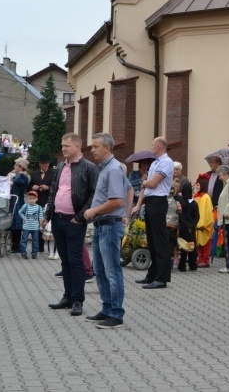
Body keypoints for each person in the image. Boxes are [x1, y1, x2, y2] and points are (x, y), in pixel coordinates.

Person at [43, 133, 99, 316]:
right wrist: (47, 214)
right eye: (62, 145)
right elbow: (53, 191)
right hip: (58, 218)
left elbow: (94, 195)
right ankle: (67, 296)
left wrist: (81, 216)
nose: (63, 149)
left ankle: (77, 300)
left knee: (76, 262)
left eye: (66, 146)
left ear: (77, 147)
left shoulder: (89, 168)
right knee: (65, 261)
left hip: (74, 221)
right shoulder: (60, 167)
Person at [83, 132, 129, 329]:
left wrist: (94, 210)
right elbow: (129, 189)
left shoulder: (113, 169)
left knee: (112, 271)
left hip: (109, 225)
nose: (92, 150)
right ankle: (107, 308)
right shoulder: (107, 169)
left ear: (107, 148)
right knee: (100, 271)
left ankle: (116, 314)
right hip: (102, 226)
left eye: (95, 146)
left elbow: (117, 200)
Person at [131, 137, 173, 289]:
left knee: (159, 240)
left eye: (153, 145)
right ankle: (152, 274)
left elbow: (152, 183)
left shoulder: (166, 162)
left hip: (158, 201)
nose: (151, 147)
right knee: (152, 239)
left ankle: (162, 278)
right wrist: (138, 205)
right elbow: (146, 187)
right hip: (150, 201)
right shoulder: (155, 163)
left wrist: (144, 182)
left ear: (160, 146)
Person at [29, 154, 53, 252]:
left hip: (48, 201)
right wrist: (32, 187)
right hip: (36, 201)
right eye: (42, 164)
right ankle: (39, 247)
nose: (44, 165)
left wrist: (48, 188)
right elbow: (29, 186)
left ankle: (50, 247)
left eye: (45, 164)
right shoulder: (34, 173)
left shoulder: (53, 173)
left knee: (47, 224)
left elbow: (57, 187)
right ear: (39, 164)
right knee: (37, 223)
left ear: (48, 164)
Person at [175, 180, 198, 272]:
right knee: (192, 246)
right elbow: (197, 216)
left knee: (183, 245)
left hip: (183, 227)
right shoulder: (194, 203)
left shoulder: (180, 201)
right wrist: (193, 225)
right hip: (191, 228)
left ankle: (182, 265)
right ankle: (193, 265)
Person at [8, 159, 31, 253]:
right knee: (13, 224)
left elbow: (20, 182)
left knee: (17, 224)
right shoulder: (16, 175)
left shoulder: (22, 176)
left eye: (16, 165)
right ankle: (14, 244)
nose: (14, 166)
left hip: (17, 200)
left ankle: (16, 245)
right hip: (13, 200)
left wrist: (12, 181)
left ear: (21, 167)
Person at [193, 174, 214, 268]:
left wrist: (202, 224)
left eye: (198, 185)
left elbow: (206, 212)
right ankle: (200, 259)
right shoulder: (197, 196)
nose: (196, 186)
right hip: (197, 224)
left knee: (205, 243)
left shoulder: (206, 197)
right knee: (199, 243)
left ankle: (205, 260)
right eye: (196, 185)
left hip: (203, 225)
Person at [18, 191, 44, 259]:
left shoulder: (39, 208)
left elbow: (41, 218)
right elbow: (20, 212)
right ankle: (23, 252)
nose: (31, 200)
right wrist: (24, 218)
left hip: (35, 227)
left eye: (33, 198)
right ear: (27, 199)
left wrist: (41, 226)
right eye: (30, 198)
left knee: (35, 241)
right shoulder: (26, 206)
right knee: (24, 240)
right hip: (26, 227)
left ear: (36, 199)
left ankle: (34, 253)